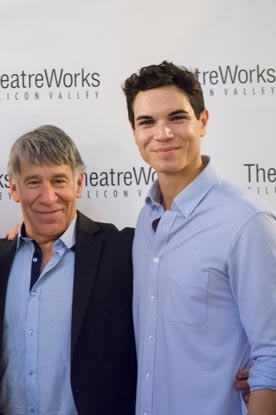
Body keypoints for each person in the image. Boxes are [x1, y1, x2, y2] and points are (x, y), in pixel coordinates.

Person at [123, 61, 276, 415]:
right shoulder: (147, 216)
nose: (162, 134)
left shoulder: (245, 221)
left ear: (202, 121)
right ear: (134, 131)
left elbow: (271, 354)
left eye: (177, 117)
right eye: (147, 122)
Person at [0, 125, 137, 415]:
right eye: (33, 182)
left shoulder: (122, 251)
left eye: (59, 181)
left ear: (78, 184)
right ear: (14, 188)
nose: (48, 197)